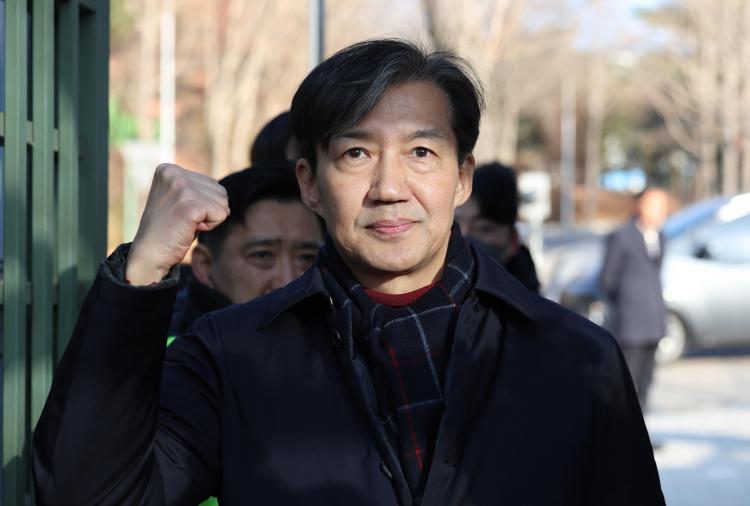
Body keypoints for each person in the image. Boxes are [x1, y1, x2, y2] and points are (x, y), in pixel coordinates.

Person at [33, 39, 664, 505]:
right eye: (357, 153)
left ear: (462, 177)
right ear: (309, 182)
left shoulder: (574, 357)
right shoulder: (230, 357)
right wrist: (141, 272)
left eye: (422, 152)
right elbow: (89, 496)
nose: (389, 187)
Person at [168, 162, 324, 338]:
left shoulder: (341, 338)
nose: (287, 281)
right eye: (263, 255)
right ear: (204, 265)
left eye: (306, 258)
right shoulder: (163, 346)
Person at [600, 187, 670, 411]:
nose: (661, 212)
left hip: (654, 320)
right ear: (641, 206)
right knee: (627, 381)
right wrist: (625, 303)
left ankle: (643, 423)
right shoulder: (622, 236)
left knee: (647, 381)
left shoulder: (661, 237)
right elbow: (608, 279)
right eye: (655, 206)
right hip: (630, 322)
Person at [454, 161, 540, 292]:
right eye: (455, 223)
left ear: (512, 240)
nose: (464, 236)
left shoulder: (528, 303)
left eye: (483, 228)